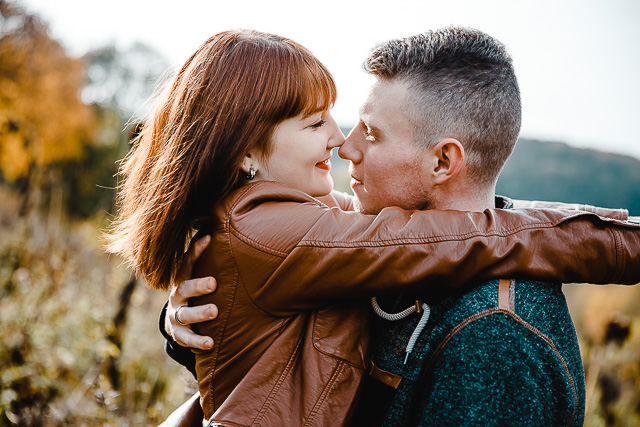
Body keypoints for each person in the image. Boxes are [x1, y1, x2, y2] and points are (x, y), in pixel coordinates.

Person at [105, 29, 640, 426]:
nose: (344, 144)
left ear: (442, 162)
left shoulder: (494, 338)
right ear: (245, 148)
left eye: (371, 133)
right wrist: (188, 329)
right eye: (319, 124)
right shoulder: (279, 230)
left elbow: (494, 231)